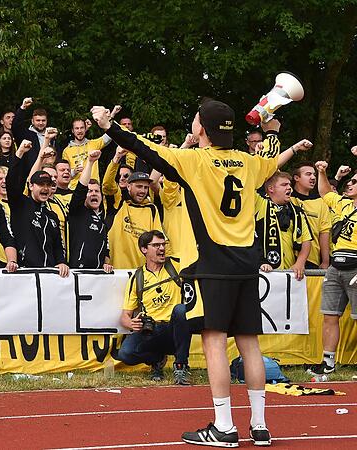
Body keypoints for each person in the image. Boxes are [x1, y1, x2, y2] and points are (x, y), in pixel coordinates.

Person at [93, 100, 275, 447]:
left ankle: (224, 426)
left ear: (202, 129)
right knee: (250, 344)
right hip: (247, 265)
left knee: (214, 343)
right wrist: (271, 129)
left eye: (194, 121)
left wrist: (109, 126)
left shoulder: (194, 160)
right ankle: (260, 425)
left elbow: (144, 147)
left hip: (212, 265)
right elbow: (274, 161)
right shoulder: (250, 162)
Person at [118, 230, 191, 385]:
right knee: (125, 354)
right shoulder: (138, 277)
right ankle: (156, 359)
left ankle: (181, 366)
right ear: (144, 249)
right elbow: (125, 315)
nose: (162, 249)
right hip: (152, 331)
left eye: (163, 244)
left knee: (181, 310)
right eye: (156, 245)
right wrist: (130, 323)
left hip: (174, 329)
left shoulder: (176, 265)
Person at [307, 161, 357, 378]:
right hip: (336, 267)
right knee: (330, 315)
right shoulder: (344, 204)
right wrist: (322, 172)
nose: (350, 184)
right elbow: (325, 191)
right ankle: (328, 362)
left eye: (355, 182)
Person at [5, 140, 69, 277]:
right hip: (25, 273)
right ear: (31, 186)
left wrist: (61, 262)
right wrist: (20, 153)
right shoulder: (20, 204)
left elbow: (57, 245)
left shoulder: (52, 215)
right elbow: (11, 181)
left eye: (48, 184)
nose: (45, 188)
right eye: (41, 185)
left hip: (49, 274)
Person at [255, 172, 311, 280]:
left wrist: (299, 263)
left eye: (290, 185)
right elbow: (250, 182)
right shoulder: (259, 204)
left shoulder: (297, 212)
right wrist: (260, 262)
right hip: (265, 272)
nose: (289, 188)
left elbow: (306, 240)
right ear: (271, 189)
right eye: (284, 185)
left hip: (291, 273)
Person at [107, 171, 162, 269]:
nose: (143, 191)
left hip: (142, 271)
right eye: (139, 186)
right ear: (128, 187)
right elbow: (107, 184)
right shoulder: (120, 203)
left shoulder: (152, 209)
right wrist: (116, 159)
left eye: (146, 187)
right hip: (117, 271)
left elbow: (157, 239)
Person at [68, 150, 112, 271]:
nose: (94, 194)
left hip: (97, 275)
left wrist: (106, 263)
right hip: (77, 272)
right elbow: (81, 188)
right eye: (90, 191)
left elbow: (106, 247)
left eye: (97, 191)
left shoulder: (103, 219)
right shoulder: (77, 211)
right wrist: (90, 162)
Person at [291, 162, 331, 269]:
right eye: (308, 174)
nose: (313, 177)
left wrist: (325, 261)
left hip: (312, 259)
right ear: (296, 178)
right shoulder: (286, 198)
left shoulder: (320, 202)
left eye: (314, 174)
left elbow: (324, 232)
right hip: (287, 257)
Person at [61, 118, 111, 188]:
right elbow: (64, 174)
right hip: (75, 188)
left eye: (82, 128)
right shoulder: (67, 151)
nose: (79, 131)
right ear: (72, 131)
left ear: (85, 129)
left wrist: (109, 117)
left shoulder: (93, 144)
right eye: (77, 128)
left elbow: (110, 136)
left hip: (93, 187)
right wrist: (74, 171)